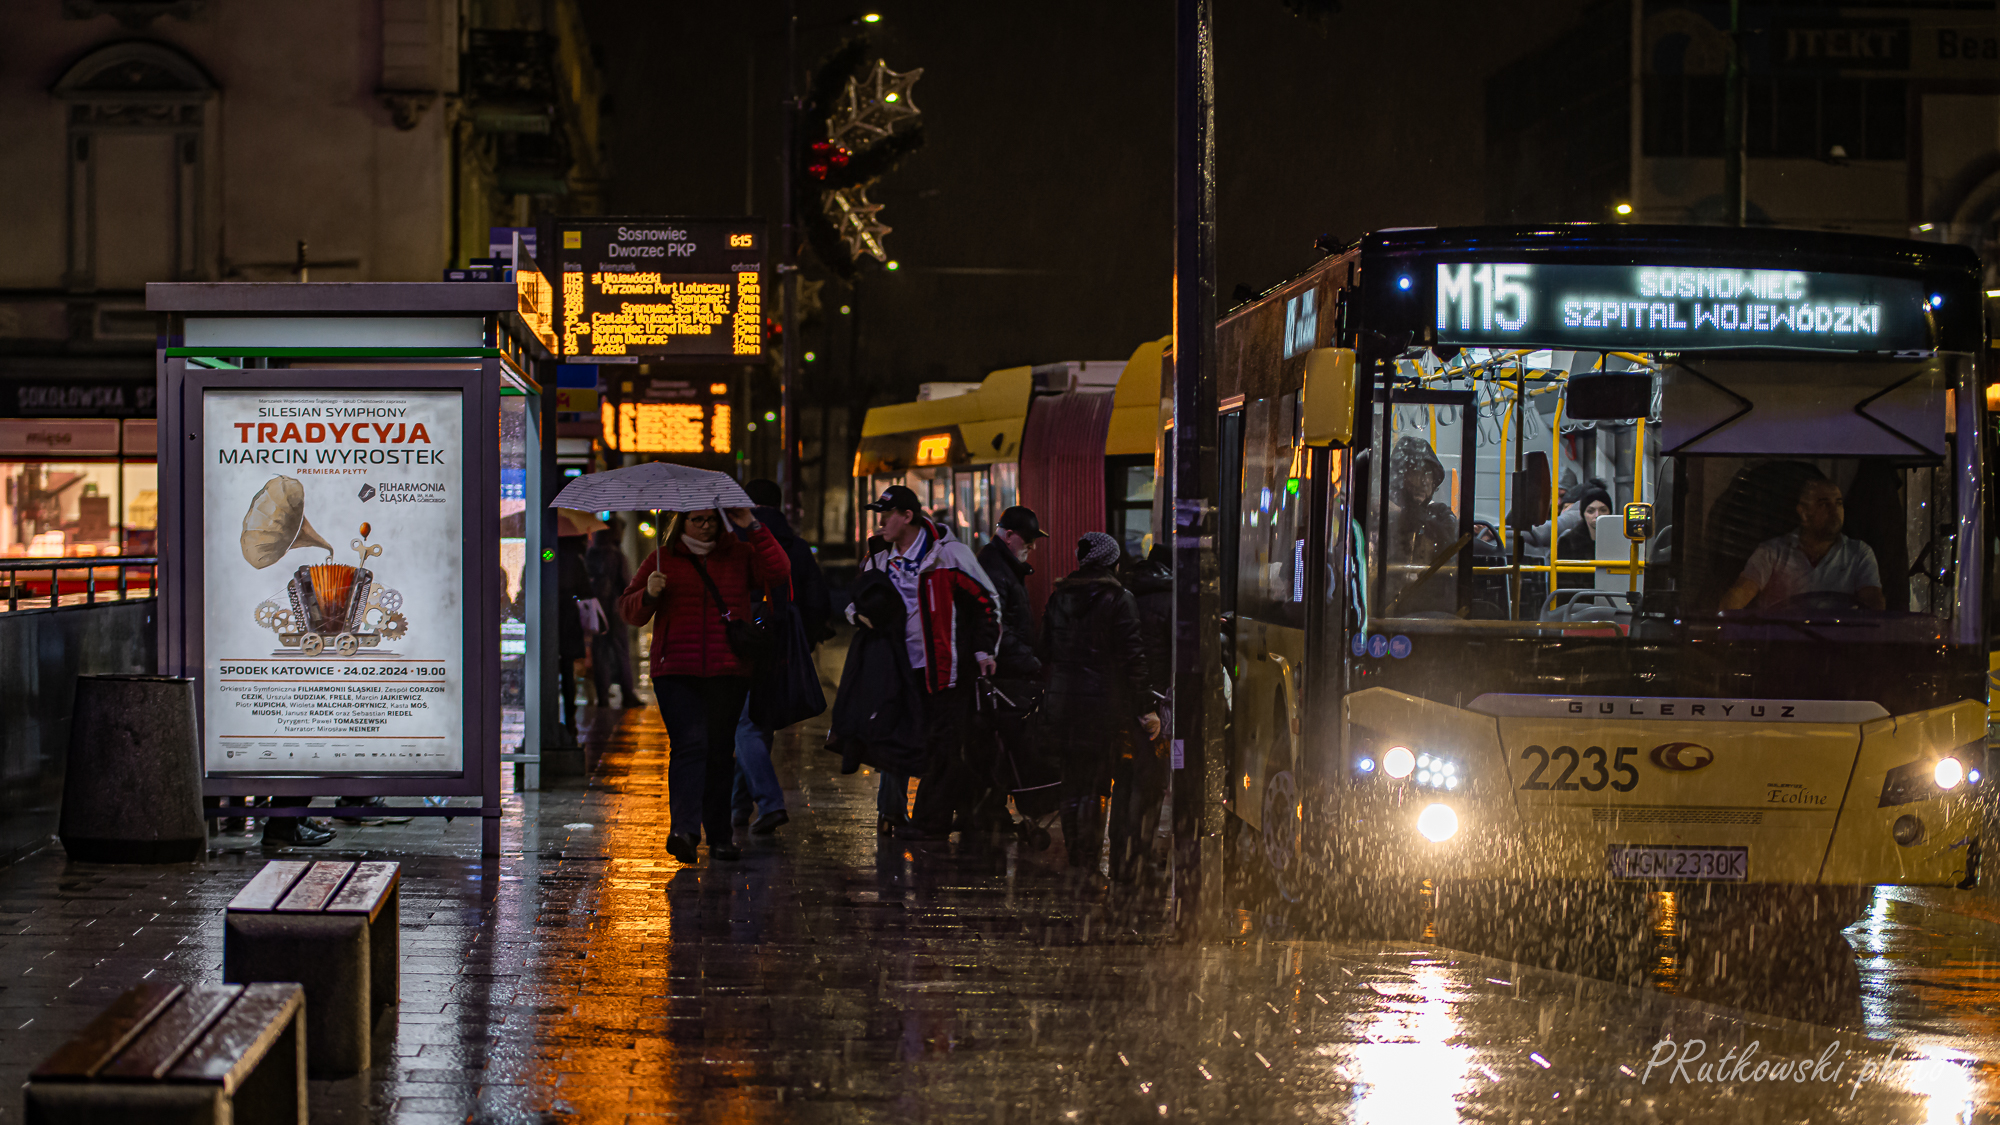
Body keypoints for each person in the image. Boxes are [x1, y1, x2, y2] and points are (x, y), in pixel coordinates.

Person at [618, 506, 792, 864]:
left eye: (711, 519)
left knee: (718, 752)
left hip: (728, 669)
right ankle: (683, 831)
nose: (706, 526)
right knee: (689, 745)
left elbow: (779, 571)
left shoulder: (740, 554)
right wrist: (649, 593)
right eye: (697, 520)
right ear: (682, 522)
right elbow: (630, 612)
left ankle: (720, 835)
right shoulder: (661, 559)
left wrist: (753, 526)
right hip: (676, 671)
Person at [848, 485, 1001, 841]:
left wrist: (983, 650)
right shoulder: (878, 559)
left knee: (941, 744)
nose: (881, 522)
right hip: (896, 671)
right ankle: (895, 813)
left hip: (943, 670)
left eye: (887, 515)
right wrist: (859, 616)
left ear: (908, 517)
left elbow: (986, 602)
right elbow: (855, 602)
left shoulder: (949, 556)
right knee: (898, 740)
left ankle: (929, 823)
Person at [1038, 532, 1159, 873]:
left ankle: (1076, 849)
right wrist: (1145, 706)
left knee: (1071, 780)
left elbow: (1043, 649)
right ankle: (1087, 857)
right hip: (1101, 707)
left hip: (1061, 704)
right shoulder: (1120, 599)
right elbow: (1133, 659)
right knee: (1095, 784)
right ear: (1113, 563)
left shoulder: (1059, 596)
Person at [730, 478, 833, 836]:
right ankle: (738, 806)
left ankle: (769, 803)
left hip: (744, 641)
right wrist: (805, 640)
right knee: (759, 721)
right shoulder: (797, 546)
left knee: (745, 725)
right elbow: (819, 601)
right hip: (784, 645)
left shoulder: (736, 540)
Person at [971, 505, 1047, 833]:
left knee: (997, 749)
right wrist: (1031, 663)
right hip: (1001, 677)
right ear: (1008, 535)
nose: (1031, 547)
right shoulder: (995, 568)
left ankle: (993, 812)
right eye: (1027, 540)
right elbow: (996, 627)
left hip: (1006, 672)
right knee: (997, 747)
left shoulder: (1001, 565)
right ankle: (989, 814)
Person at [1718, 475, 1885, 612]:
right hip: (1782, 647)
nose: (1835, 511)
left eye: (1839, 503)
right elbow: (1740, 594)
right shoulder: (1771, 552)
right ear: (1803, 512)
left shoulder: (1859, 553)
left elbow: (1873, 603)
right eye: (1824, 504)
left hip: (1839, 648)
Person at [1111, 544, 1172, 883]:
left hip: (1121, 705)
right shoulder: (1170, 601)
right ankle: (1142, 855)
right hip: (1154, 707)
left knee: (1124, 778)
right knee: (1150, 784)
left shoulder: (1124, 595)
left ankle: (1120, 852)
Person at [585, 526, 636, 708]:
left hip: (597, 610)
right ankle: (628, 694)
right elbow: (627, 584)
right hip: (614, 610)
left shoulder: (591, 555)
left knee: (600, 654)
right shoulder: (617, 556)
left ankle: (603, 697)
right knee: (621, 651)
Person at [1556, 486, 1614, 590]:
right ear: (1583, 514)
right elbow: (1565, 585)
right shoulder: (1568, 542)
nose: (1597, 515)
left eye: (1603, 510)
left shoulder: (1620, 541)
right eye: (1590, 511)